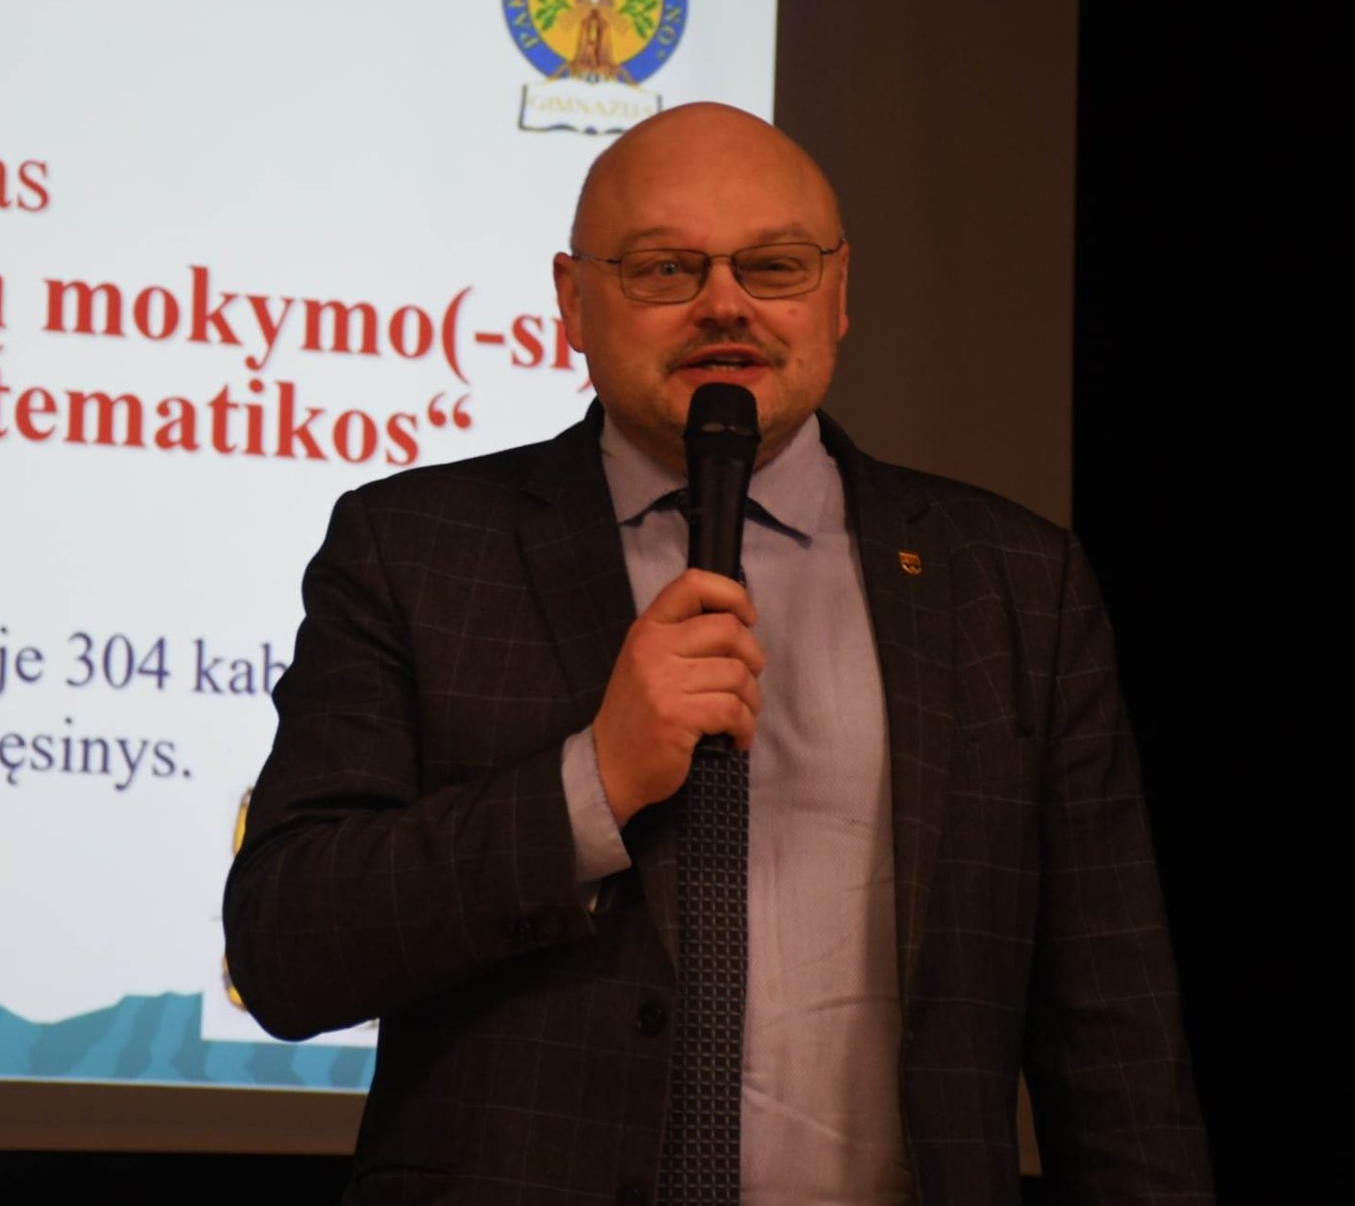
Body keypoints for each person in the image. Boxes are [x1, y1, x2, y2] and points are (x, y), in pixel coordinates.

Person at [224, 103, 1213, 1205]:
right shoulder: (415, 549)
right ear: (573, 301)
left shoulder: (1014, 583)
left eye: (774, 265)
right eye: (666, 268)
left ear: (839, 293)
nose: (727, 304)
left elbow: (1118, 1044)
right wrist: (590, 783)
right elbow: (285, 946)